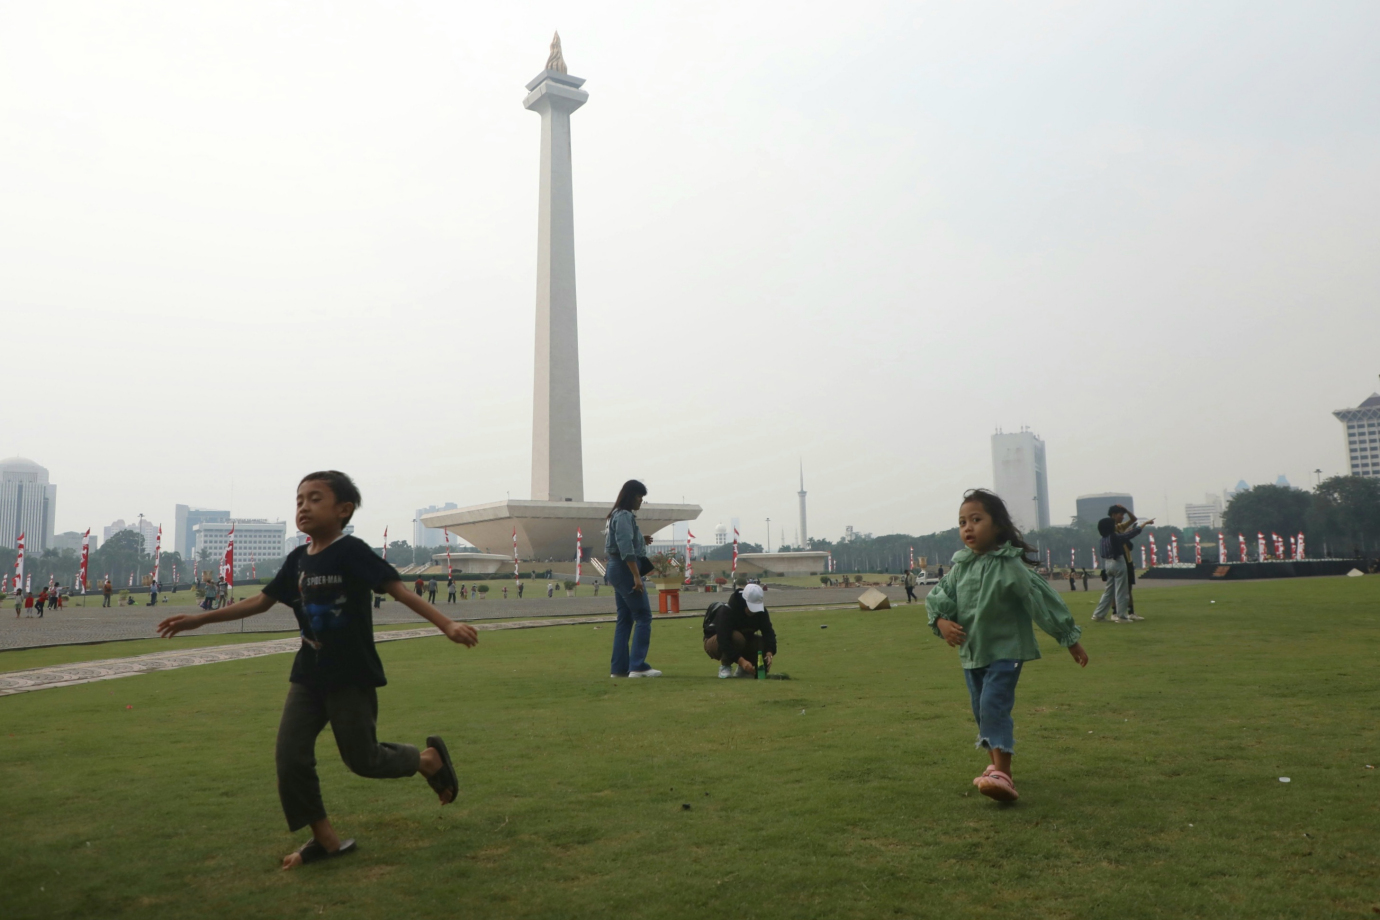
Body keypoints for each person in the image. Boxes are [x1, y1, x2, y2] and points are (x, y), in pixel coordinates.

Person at [157, 471, 479, 870]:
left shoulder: (352, 551)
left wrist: (447, 624)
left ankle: (427, 760)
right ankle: (325, 841)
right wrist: (200, 619)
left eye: (315, 499)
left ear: (343, 510)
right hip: (308, 674)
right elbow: (261, 601)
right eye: (299, 500)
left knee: (363, 760)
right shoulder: (297, 560)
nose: (304, 507)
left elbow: (398, 590)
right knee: (289, 757)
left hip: (351, 673)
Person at [925, 489, 1087, 803]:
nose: (968, 528)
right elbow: (938, 597)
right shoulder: (961, 567)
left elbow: (1041, 602)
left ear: (998, 525)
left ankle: (1004, 775)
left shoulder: (1009, 566)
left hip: (1005, 651)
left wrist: (1069, 638)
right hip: (973, 653)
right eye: (962, 522)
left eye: (976, 520)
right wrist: (942, 622)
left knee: (993, 706)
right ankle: (995, 766)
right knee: (980, 710)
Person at [604, 479, 659, 678]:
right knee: (643, 616)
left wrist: (640, 539)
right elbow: (625, 548)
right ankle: (637, 666)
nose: (640, 501)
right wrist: (636, 576)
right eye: (639, 496)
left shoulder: (615, 515)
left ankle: (619, 668)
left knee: (625, 618)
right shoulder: (624, 516)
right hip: (624, 568)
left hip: (616, 568)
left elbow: (619, 540)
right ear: (631, 496)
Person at [703, 583, 777, 678]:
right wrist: (741, 661)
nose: (754, 611)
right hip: (714, 642)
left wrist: (769, 652)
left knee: (761, 643)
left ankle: (744, 670)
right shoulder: (728, 610)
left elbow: (769, 633)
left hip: (743, 641)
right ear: (745, 602)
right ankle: (725, 667)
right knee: (737, 637)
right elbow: (723, 639)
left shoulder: (761, 612)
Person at [1091, 515, 1145, 623]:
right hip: (1118, 562)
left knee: (1108, 592)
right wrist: (1142, 526)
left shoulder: (1102, 539)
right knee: (1122, 591)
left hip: (1107, 563)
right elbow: (1130, 535)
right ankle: (1122, 617)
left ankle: (1098, 615)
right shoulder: (1114, 536)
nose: (1115, 526)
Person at [1109, 505, 1151, 619]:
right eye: (1120, 515)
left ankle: (1131, 612)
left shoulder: (1120, 526)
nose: (1123, 517)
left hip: (1128, 559)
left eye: (1123, 515)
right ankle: (1115, 612)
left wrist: (1126, 510)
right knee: (1116, 587)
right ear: (1113, 515)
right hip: (1117, 559)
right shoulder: (1109, 528)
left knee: (1128, 587)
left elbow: (1133, 519)